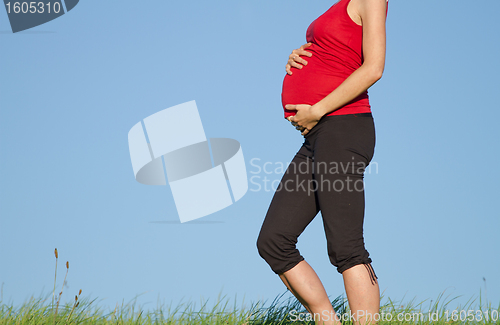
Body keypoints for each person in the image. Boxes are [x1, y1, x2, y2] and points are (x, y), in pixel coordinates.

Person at [256, 0, 388, 324]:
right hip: (318, 136)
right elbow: (336, 51)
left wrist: (317, 108)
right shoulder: (339, 4)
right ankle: (328, 321)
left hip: (344, 128)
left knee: (347, 247)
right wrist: (300, 56)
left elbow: (374, 67)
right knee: (273, 240)